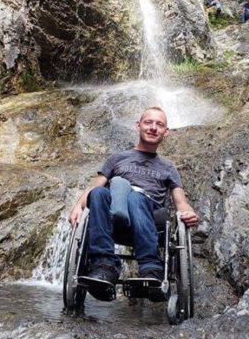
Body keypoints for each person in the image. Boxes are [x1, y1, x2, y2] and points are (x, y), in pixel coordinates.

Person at [68, 106, 198, 300]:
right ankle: (104, 265)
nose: (153, 128)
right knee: (99, 193)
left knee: (136, 198)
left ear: (166, 131)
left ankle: (151, 268)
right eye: (148, 122)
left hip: (150, 218)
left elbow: (181, 204)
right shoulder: (117, 158)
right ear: (138, 126)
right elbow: (94, 188)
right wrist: (78, 206)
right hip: (114, 216)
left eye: (159, 124)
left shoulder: (168, 167)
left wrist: (189, 214)